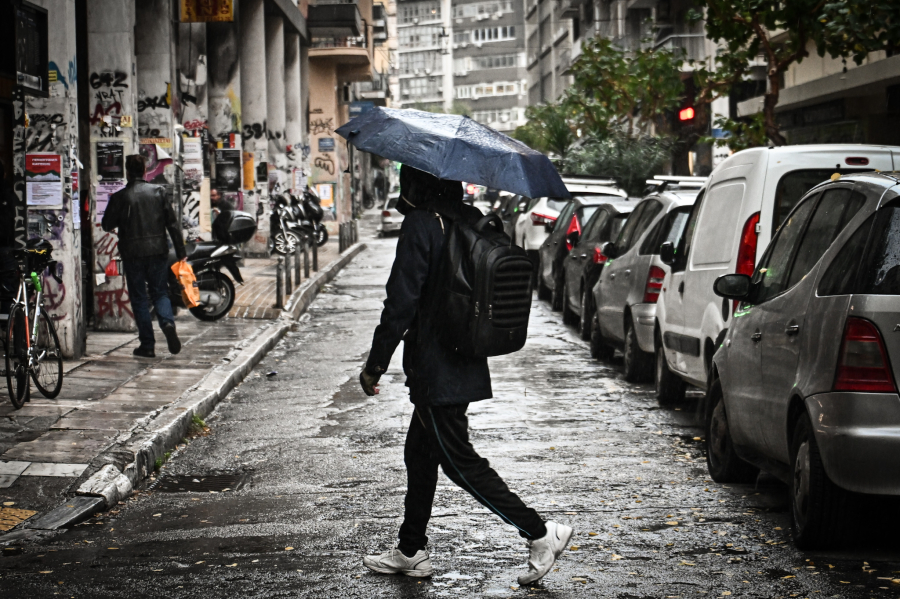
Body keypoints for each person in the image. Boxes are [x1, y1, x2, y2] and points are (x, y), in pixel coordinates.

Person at [359, 165, 573, 584]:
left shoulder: (422, 222)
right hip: (463, 357)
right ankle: (410, 550)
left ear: (417, 184)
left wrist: (375, 364)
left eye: (407, 178)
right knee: (419, 456)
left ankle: (539, 532)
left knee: (459, 462)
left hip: (436, 368)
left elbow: (400, 302)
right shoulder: (468, 218)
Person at [101, 155, 185, 358]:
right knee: (160, 292)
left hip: (132, 254)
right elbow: (172, 224)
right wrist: (181, 253)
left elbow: (106, 224)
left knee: (139, 298)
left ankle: (147, 345)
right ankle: (166, 321)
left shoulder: (120, 197)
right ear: (145, 171)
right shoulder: (158, 192)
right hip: (157, 251)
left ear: (127, 172)